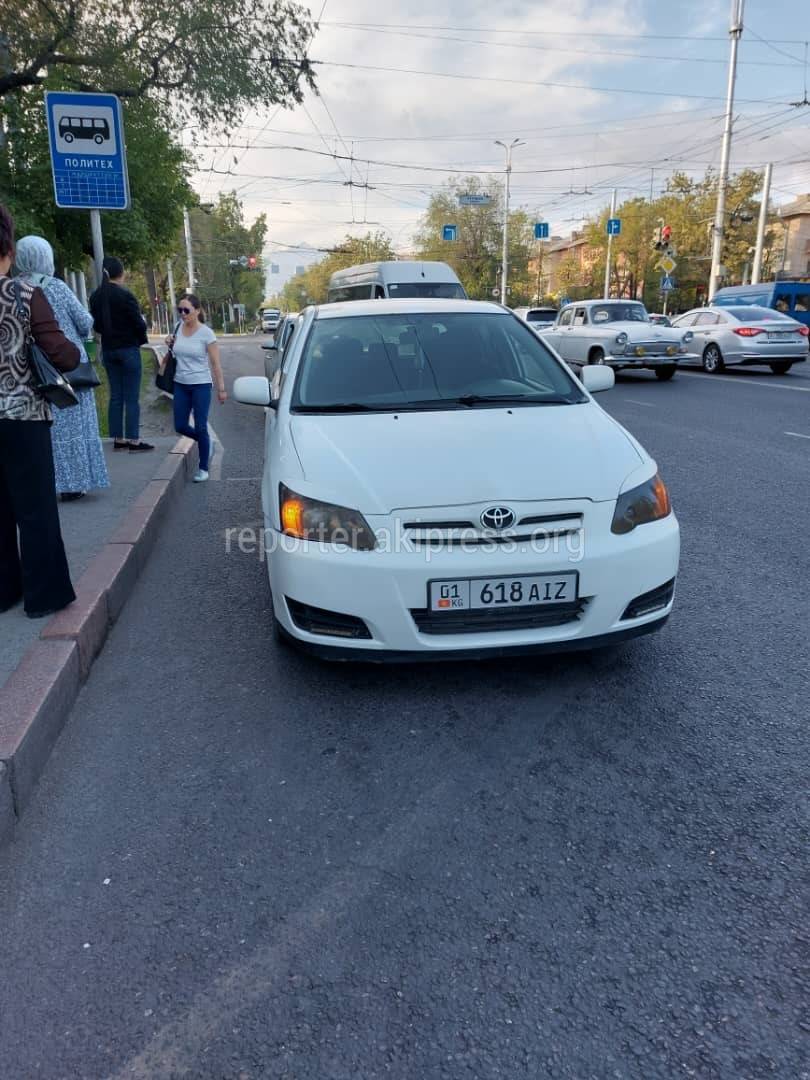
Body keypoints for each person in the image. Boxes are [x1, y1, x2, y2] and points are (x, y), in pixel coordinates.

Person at [0, 204, 80, 618]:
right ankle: (43, 596)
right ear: (9, 248)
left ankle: (4, 593)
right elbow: (60, 354)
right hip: (23, 417)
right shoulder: (26, 293)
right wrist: (72, 354)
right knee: (35, 509)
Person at [15, 236, 110, 503]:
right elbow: (85, 321)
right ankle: (75, 483)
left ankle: (47, 481)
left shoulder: (13, 288)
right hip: (68, 367)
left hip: (34, 368)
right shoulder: (56, 286)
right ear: (46, 258)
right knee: (76, 427)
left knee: (50, 431)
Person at [89, 256, 153, 452]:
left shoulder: (96, 296)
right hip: (128, 350)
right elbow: (138, 323)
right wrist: (141, 338)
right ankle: (134, 441)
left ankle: (118, 439)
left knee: (115, 396)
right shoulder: (126, 296)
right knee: (131, 398)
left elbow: (97, 325)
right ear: (121, 273)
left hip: (109, 351)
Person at [166, 294, 226, 483]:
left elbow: (216, 363)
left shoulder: (206, 333)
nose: (182, 314)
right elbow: (172, 356)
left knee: (200, 425)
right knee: (180, 425)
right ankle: (204, 442)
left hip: (201, 384)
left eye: (186, 310)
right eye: (180, 310)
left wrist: (221, 388)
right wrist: (169, 344)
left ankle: (203, 468)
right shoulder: (177, 328)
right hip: (180, 384)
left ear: (197, 311)